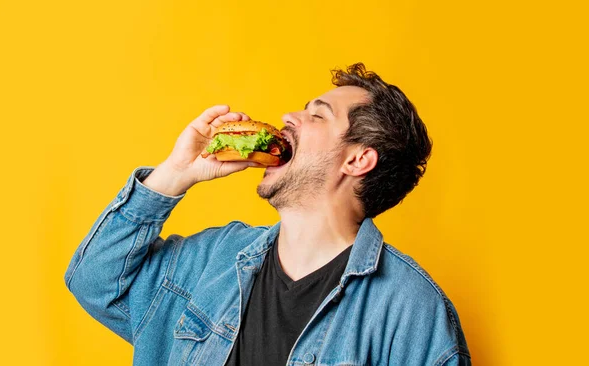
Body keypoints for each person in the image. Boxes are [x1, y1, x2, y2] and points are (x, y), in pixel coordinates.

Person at [64, 63, 471, 365]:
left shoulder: (410, 309)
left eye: (317, 115)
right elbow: (95, 281)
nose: (288, 118)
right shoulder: (214, 258)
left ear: (358, 159)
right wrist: (173, 175)